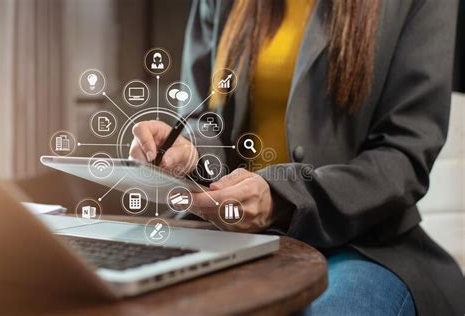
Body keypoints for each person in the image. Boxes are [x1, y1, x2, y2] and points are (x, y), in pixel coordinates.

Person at [130, 0, 465, 314]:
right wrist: (187, 153)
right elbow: (203, 119)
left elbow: (404, 158)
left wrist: (281, 198)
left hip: (365, 245)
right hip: (230, 237)